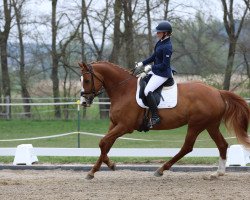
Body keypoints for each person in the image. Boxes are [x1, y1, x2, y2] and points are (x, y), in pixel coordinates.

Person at [135, 20, 173, 127]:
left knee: (148, 91)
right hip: (155, 71)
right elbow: (153, 57)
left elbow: (165, 65)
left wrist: (151, 67)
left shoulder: (168, 47)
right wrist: (142, 63)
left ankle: (155, 117)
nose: (157, 33)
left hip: (163, 74)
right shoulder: (160, 42)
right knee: (140, 80)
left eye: (159, 32)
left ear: (165, 33)